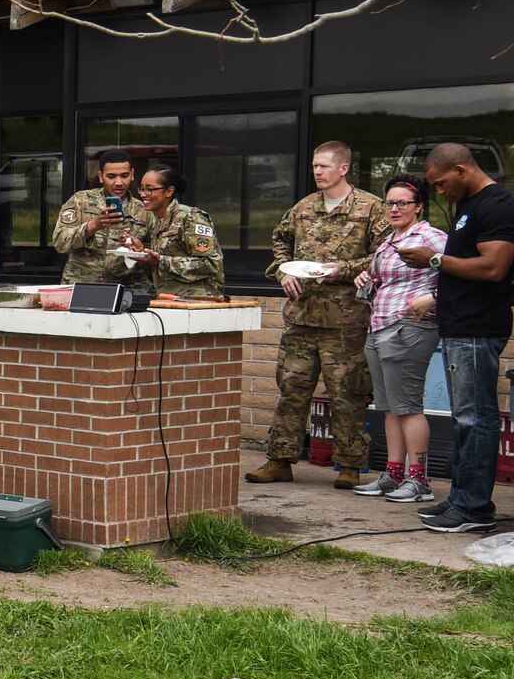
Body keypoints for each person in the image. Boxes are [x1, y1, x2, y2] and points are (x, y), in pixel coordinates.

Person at [249, 141, 383, 490]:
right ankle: (279, 460)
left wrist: (341, 269)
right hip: (302, 318)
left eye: (324, 166)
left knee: (346, 394)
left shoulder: (371, 209)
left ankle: (351, 465)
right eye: (314, 166)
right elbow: (280, 242)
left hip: (345, 322)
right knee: (291, 390)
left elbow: (385, 256)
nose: (317, 172)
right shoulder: (303, 207)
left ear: (343, 168)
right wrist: (283, 272)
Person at [397, 144, 514, 531]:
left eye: (442, 183)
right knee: (465, 419)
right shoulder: (468, 205)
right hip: (460, 327)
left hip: (478, 329)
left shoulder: (495, 205)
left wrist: (433, 260)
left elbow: (494, 267)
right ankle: (461, 499)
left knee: (476, 419)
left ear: (462, 171)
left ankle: (475, 510)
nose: (440, 192)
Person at [351, 176, 444, 504]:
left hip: (410, 328)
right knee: (388, 407)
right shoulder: (389, 240)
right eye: (389, 202)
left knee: (407, 407)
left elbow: (457, 274)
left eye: (402, 203)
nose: (394, 208)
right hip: (379, 326)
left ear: (419, 206)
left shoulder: (432, 237)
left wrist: (432, 296)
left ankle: (419, 480)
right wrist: (366, 279)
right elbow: (385, 282)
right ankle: (393, 474)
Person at [52, 148, 153, 283]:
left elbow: (154, 255)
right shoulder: (81, 200)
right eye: (111, 176)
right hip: (79, 285)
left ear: (132, 175)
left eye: (124, 175)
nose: (119, 183)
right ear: (100, 176)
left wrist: (139, 247)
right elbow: (59, 242)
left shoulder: (144, 210)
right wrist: (92, 226)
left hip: (120, 288)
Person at [124, 165, 225, 299]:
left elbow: (209, 265)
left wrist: (161, 261)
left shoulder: (191, 218)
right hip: (167, 299)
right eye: (142, 189)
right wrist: (141, 250)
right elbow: (158, 269)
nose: (143, 194)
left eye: (150, 189)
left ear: (169, 191)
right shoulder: (156, 220)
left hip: (197, 301)